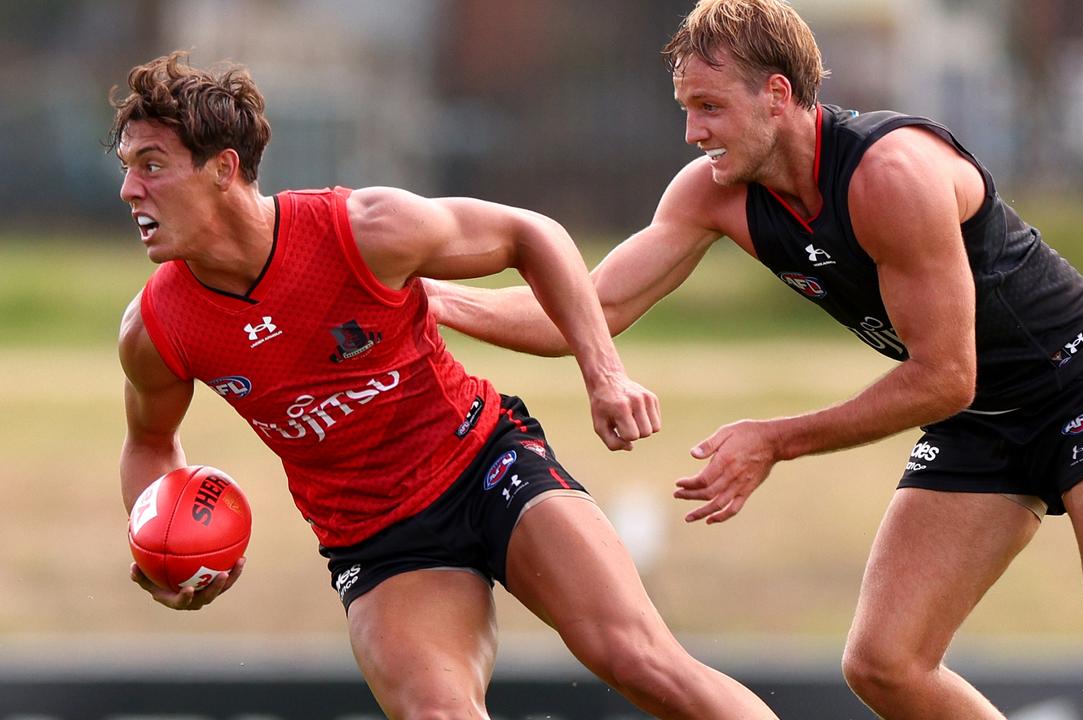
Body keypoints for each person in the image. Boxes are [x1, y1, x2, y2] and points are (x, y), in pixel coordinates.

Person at [428, 1, 1083, 717]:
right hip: (981, 417)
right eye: (685, 109)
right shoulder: (713, 197)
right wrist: (430, 300)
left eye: (711, 108)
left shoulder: (891, 174)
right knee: (886, 666)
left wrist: (776, 438)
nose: (692, 133)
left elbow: (945, 373)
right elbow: (589, 312)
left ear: (777, 93)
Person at [109, 51, 778, 720]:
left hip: (488, 464)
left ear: (224, 169)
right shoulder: (156, 327)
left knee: (641, 662)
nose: (130, 190)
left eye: (152, 165)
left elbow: (531, 235)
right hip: (379, 541)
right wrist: (160, 544)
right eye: (128, 168)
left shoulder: (362, 231)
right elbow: (149, 442)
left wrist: (603, 374)